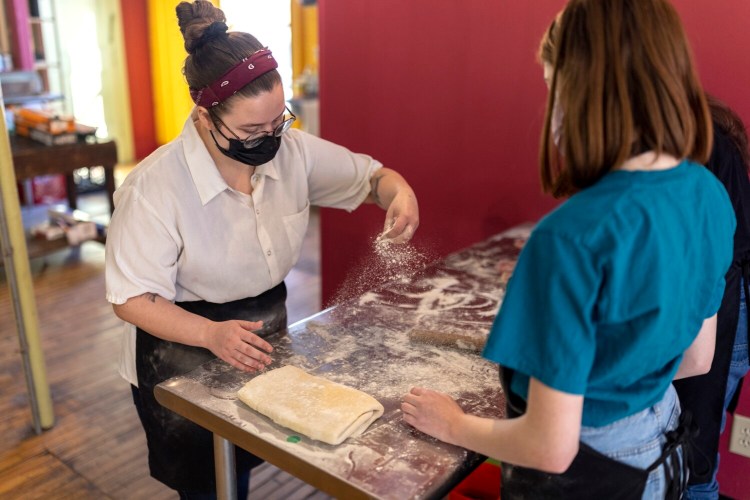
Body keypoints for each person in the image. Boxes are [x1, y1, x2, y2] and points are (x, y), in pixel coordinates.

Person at [401, 1, 735, 498]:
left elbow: (549, 447)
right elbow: (696, 359)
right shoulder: (707, 191)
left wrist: (451, 424)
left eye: (552, 87)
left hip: (593, 474)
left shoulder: (570, 236)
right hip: (660, 452)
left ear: (580, 91)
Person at [105, 1, 419, 498]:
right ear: (205, 115)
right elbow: (131, 298)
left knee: (248, 459)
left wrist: (399, 193)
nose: (270, 139)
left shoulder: (291, 153)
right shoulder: (155, 187)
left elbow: (372, 178)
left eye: (278, 123)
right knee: (207, 483)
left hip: (261, 328)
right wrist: (211, 334)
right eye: (252, 131)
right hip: (181, 340)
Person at [673, 95, 750, 499]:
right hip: (724, 297)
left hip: (722, 304)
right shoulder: (701, 127)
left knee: (690, 457)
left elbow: (698, 360)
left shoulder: (692, 142)